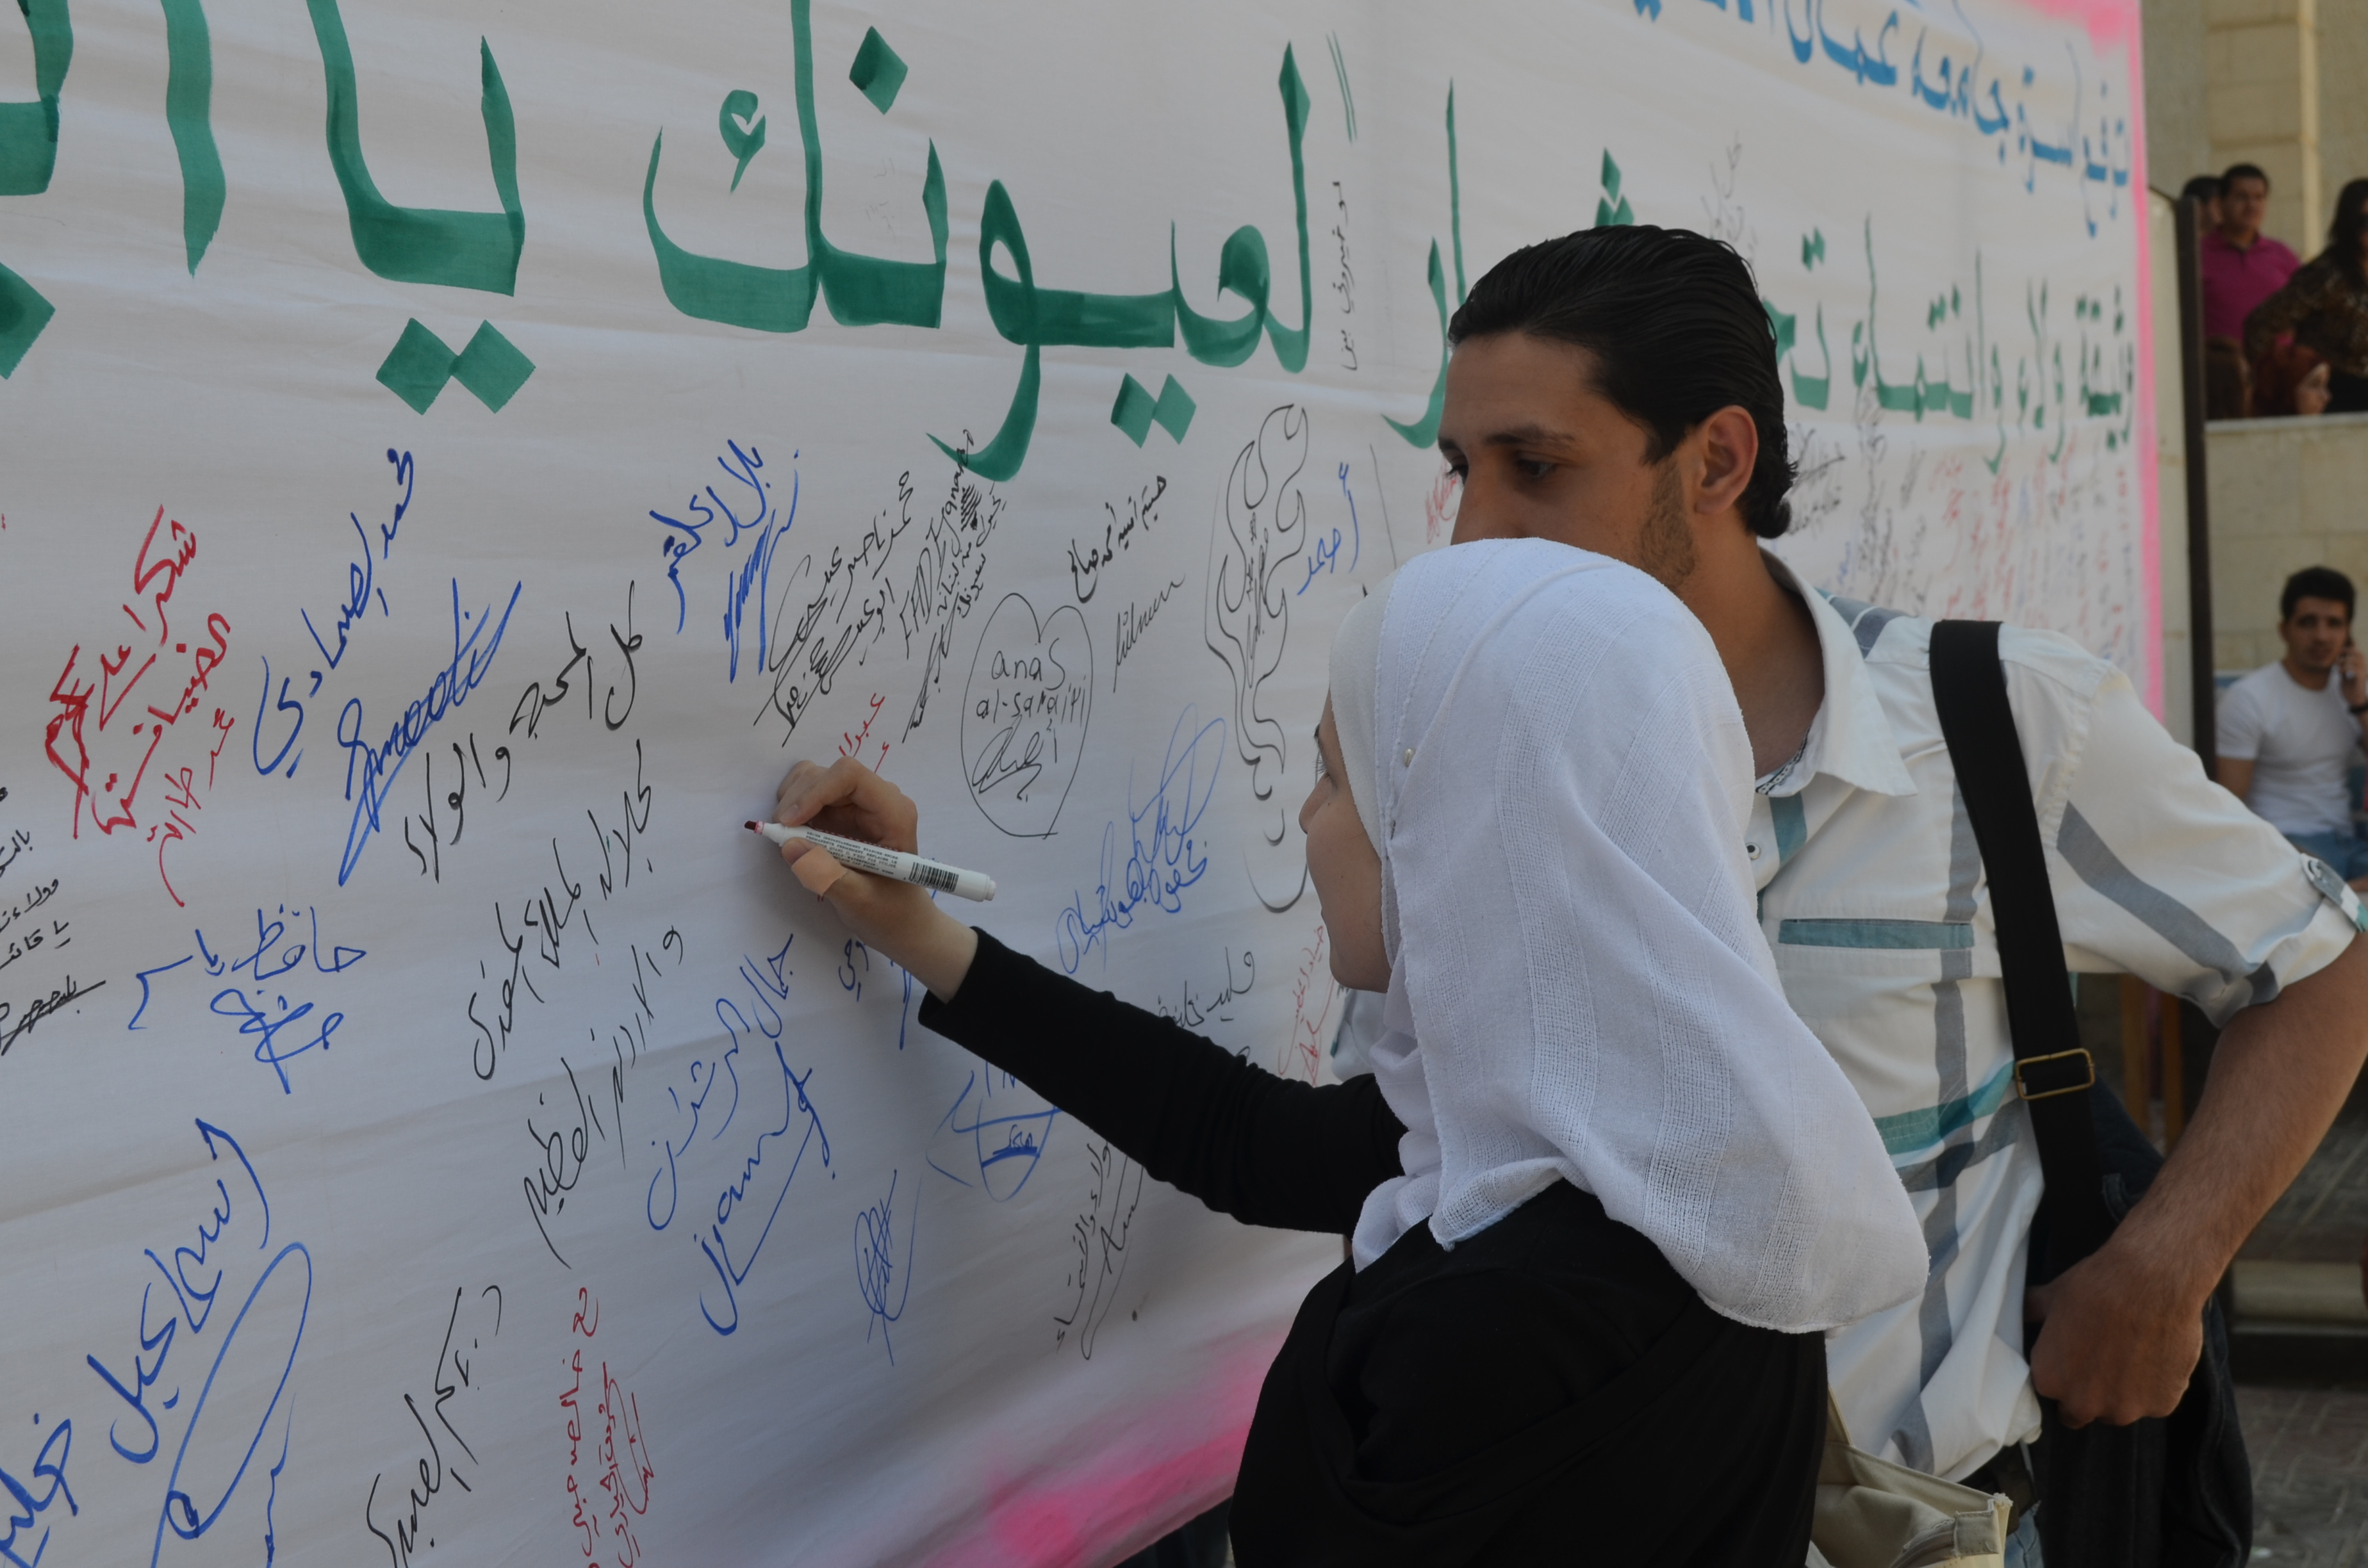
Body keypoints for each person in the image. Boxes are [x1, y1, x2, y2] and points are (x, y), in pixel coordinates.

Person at [1421, 223, 2368, 1565]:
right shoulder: (1475, 749)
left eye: (1535, 466)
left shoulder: (1995, 720)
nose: (1475, 530)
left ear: (1716, 461)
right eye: (1460, 470)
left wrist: (2166, 1265)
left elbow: (2321, 969)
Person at [769, 539, 1928, 1566]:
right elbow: (1242, 1137)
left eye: (1340, 772)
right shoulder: (1698, 1170)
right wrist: (925, 935)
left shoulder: (1502, 1323)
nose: (1307, 815)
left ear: (1465, 825)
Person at [2217, 567, 2368, 885]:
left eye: (2334, 624)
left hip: (2347, 843)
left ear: (2348, 634)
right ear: (2284, 630)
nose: (2322, 636)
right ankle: (2340, 894)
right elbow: (2229, 807)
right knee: (2308, 879)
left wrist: (2359, 704)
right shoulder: (2249, 698)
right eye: (2308, 622)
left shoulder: (2355, 692)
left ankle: (2341, 893)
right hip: (2286, 845)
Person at [2245, 179, 2368, 414]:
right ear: (2350, 225)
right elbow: (2261, 323)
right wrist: (2276, 389)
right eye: (2366, 222)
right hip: (2331, 396)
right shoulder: (2326, 274)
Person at [2203, 163, 2301, 345]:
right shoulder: (2197, 254)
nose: (2252, 206)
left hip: (2278, 362)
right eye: (2242, 197)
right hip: (2221, 361)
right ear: (2220, 203)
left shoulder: (2283, 255)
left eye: (2259, 198)